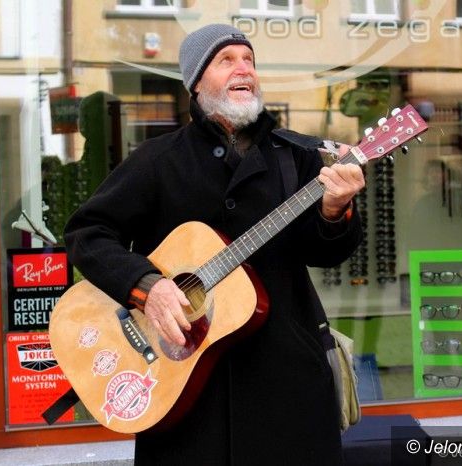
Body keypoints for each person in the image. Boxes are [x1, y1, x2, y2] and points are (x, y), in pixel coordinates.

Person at [64, 23, 365, 466]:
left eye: (249, 60)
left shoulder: (297, 157)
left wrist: (336, 211)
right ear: (197, 82)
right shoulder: (157, 160)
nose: (244, 69)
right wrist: (147, 287)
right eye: (227, 60)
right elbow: (88, 233)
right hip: (183, 391)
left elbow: (325, 253)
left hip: (286, 389)